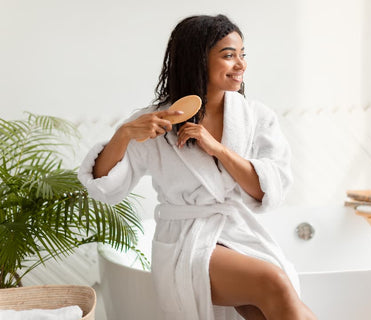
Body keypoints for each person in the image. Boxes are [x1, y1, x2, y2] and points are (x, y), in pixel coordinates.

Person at [79, 14, 317, 320]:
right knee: (275, 284)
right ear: (197, 60)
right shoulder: (157, 122)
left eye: (242, 55)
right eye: (229, 56)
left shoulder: (256, 117)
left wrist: (216, 148)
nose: (241, 65)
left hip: (238, 233)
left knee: (277, 307)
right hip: (185, 241)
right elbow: (105, 188)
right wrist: (124, 134)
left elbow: (267, 189)